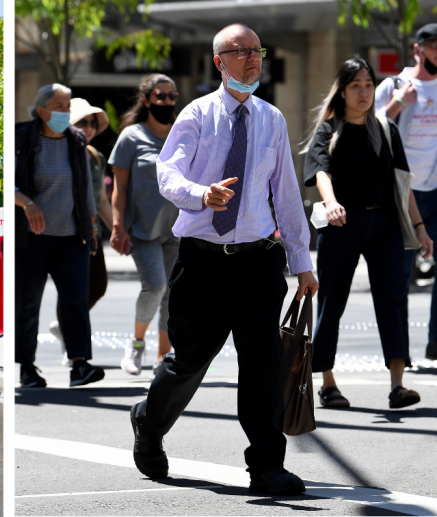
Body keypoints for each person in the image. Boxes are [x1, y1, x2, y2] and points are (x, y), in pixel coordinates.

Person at [129, 24, 319, 495]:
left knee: (262, 366)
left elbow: (288, 195)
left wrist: (302, 262)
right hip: (202, 262)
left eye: (258, 51)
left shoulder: (272, 119)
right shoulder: (196, 115)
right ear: (220, 61)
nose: (253, 59)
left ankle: (266, 466)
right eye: (242, 52)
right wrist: (200, 194)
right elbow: (167, 173)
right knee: (188, 362)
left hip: (258, 262)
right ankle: (148, 425)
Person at [304, 56, 433, 409]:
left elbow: (402, 183)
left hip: (385, 227)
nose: (363, 92)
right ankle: (327, 381)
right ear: (342, 91)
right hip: (341, 226)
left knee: (393, 300)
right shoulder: (329, 129)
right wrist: (330, 203)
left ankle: (397, 385)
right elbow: (321, 173)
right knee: (332, 302)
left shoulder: (385, 128)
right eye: (355, 86)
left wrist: (420, 228)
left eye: (367, 85)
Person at [15, 84, 105, 388]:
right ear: (42, 111)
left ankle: (80, 365)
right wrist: (27, 204)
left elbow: (85, 189)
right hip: (32, 238)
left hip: (71, 236)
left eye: (68, 106)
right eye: (59, 106)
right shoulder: (21, 137)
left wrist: (91, 227)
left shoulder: (75, 139)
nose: (66, 111)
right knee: (28, 303)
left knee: (76, 299)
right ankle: (27, 368)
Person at [109, 74, 180, 377]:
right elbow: (119, 188)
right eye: (160, 96)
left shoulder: (183, 132)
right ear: (147, 99)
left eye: (171, 96)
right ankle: (137, 345)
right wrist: (116, 226)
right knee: (155, 286)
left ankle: (164, 356)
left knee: (171, 295)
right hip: (143, 230)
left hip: (179, 229)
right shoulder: (131, 137)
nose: (166, 101)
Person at [375, 23, 437, 360]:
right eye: (433, 45)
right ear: (418, 49)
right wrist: (398, 103)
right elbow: (369, 128)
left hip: (436, 190)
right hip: (400, 194)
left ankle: (435, 342)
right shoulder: (394, 85)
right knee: (397, 278)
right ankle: (401, 352)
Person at [48, 98, 110, 368]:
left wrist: (119, 228)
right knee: (73, 290)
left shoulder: (95, 156)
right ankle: (72, 345)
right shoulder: (57, 152)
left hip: (91, 233)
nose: (89, 127)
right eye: (82, 121)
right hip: (67, 233)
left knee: (98, 286)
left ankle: (66, 328)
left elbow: (102, 200)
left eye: (92, 122)